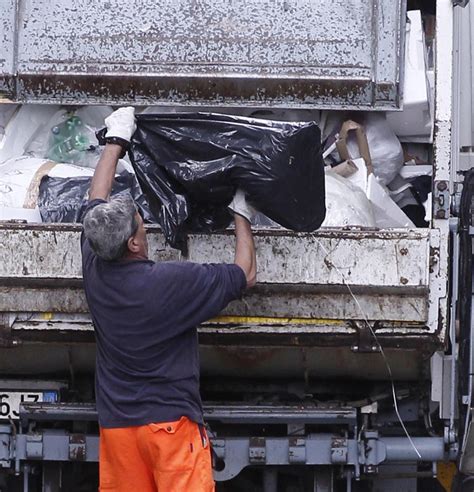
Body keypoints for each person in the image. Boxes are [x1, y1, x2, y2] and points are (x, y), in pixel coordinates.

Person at [81, 107, 257, 492]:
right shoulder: (171, 283)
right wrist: (241, 213)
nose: (142, 217)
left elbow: (95, 199)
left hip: (118, 430)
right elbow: (245, 274)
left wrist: (116, 141)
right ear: (135, 243)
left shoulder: (95, 264)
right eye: (140, 220)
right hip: (169, 429)